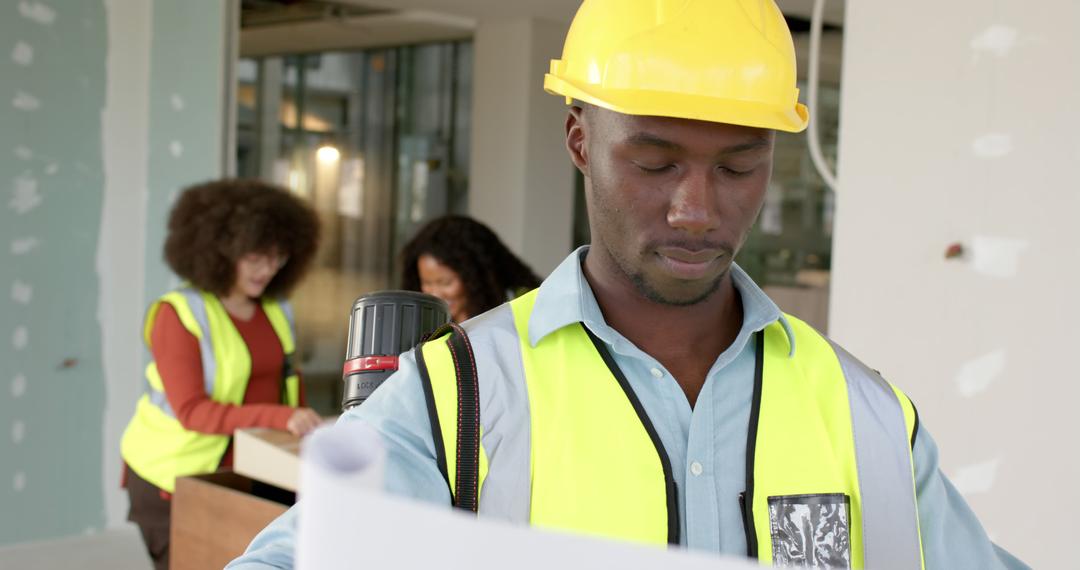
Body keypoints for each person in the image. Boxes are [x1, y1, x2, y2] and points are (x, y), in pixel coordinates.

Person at [230, 1, 1027, 568]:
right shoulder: (459, 397)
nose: (696, 209)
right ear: (579, 138)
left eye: (739, 166)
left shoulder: (867, 417)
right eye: (654, 163)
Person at [120, 179, 322, 569]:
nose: (268, 268)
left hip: (248, 470)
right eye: (256, 257)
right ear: (221, 248)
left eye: (278, 257)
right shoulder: (178, 314)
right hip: (172, 477)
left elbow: (288, 384)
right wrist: (280, 417)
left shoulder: (277, 309)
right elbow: (194, 411)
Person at [400, 215, 541, 323]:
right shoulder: (426, 326)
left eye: (445, 283)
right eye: (427, 283)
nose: (435, 294)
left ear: (475, 277)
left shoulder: (523, 309)